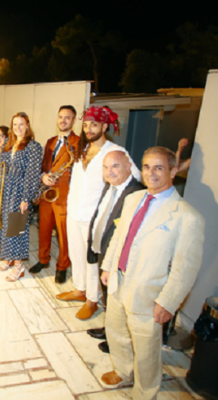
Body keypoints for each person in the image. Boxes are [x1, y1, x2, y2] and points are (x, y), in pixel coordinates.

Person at [100, 147, 204, 399]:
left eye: (159, 168)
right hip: (119, 280)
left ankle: (146, 391)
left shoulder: (187, 217)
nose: (151, 173)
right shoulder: (133, 199)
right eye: (147, 167)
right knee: (117, 331)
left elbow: (185, 269)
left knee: (146, 347)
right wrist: (107, 266)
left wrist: (168, 302)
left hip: (149, 294)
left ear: (173, 171)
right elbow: (119, 237)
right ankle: (123, 370)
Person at [56, 106, 140, 321]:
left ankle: (92, 300)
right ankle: (80, 289)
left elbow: (136, 178)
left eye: (93, 125)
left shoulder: (116, 152)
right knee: (75, 253)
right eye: (85, 125)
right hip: (74, 211)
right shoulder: (81, 149)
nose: (88, 129)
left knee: (91, 259)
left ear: (104, 126)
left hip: (95, 215)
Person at [85, 150, 144, 354]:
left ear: (128, 166)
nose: (109, 171)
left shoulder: (136, 193)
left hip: (118, 257)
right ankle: (109, 329)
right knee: (107, 296)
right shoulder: (111, 187)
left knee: (118, 301)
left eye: (115, 166)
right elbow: (102, 215)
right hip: (103, 250)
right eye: (106, 167)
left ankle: (117, 341)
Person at [29, 105, 80, 283]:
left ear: (73, 120)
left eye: (67, 117)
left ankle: (62, 266)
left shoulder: (78, 142)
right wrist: (44, 176)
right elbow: (44, 165)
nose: (63, 121)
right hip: (47, 193)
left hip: (64, 196)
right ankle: (43, 260)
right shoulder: (51, 141)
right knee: (43, 230)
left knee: (63, 234)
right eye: (60, 117)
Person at [0, 112, 42, 282]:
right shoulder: (8, 144)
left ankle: (19, 266)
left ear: (27, 126)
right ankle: (8, 257)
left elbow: (33, 174)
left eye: (21, 124)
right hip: (5, 191)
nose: (18, 128)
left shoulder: (33, 147)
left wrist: (26, 198)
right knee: (4, 226)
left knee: (17, 228)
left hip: (20, 191)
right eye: (15, 125)